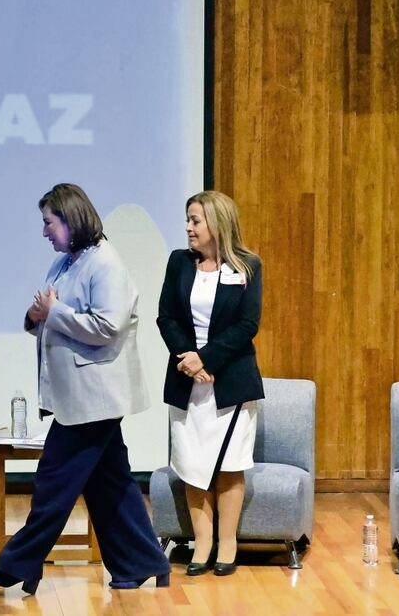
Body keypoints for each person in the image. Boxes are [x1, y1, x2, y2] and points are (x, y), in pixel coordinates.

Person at [0, 183, 170, 594]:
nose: (44, 231)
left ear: (70, 218)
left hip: (95, 396)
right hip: (78, 395)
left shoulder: (106, 264)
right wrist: (36, 316)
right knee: (110, 484)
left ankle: (19, 563)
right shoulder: (66, 263)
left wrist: (54, 311)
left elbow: (107, 327)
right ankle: (143, 562)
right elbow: (50, 316)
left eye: (49, 222)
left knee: (53, 480)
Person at [156, 190, 264, 577]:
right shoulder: (178, 263)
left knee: (229, 465)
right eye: (187, 219)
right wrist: (189, 359)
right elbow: (165, 317)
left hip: (230, 381)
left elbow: (247, 324)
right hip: (188, 380)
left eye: (195, 220)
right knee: (192, 463)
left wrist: (209, 357)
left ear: (217, 223)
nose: (188, 227)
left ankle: (228, 543)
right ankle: (201, 543)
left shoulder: (248, 265)